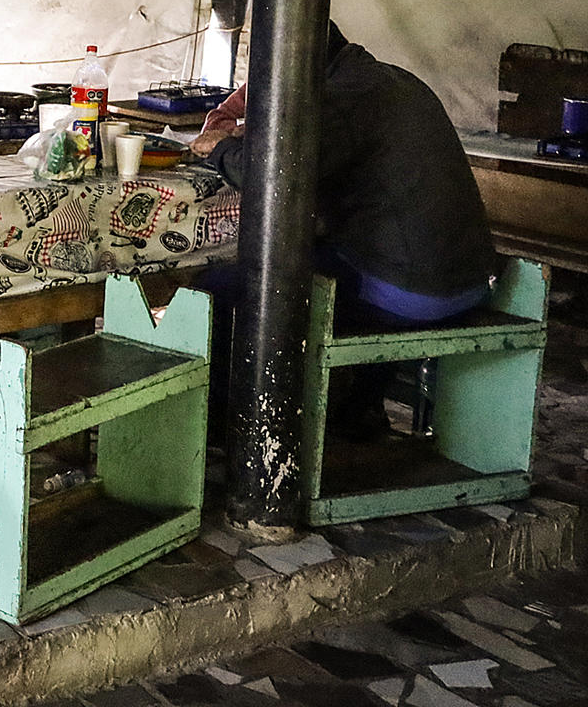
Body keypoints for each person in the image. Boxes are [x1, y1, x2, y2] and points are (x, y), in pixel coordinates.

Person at [197, 22, 497, 437]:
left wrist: (221, 149)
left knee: (224, 288)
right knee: (331, 257)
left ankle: (229, 431)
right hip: (470, 279)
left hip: (419, 291)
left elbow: (275, 178)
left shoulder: (342, 99)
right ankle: (359, 408)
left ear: (289, 67)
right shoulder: (387, 80)